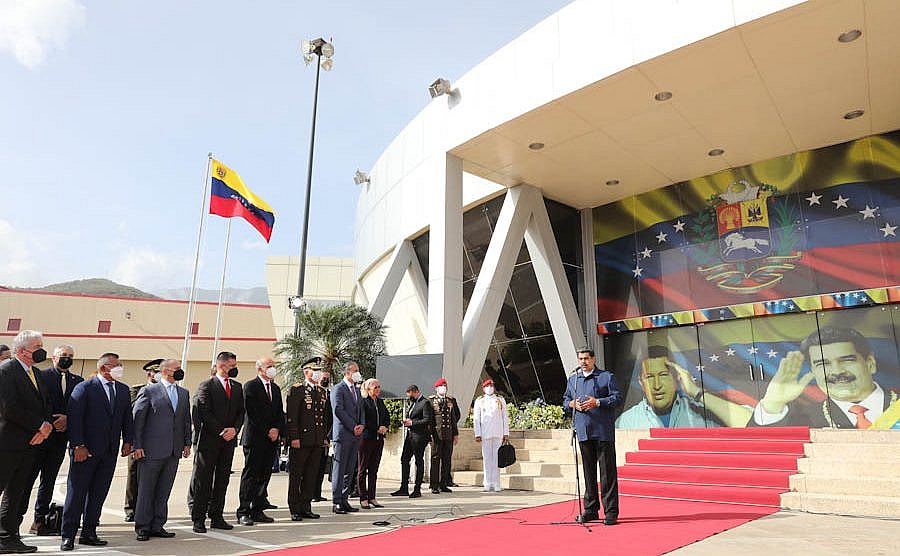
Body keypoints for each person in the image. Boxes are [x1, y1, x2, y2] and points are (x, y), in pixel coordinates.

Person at [752, 326, 900, 429]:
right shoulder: (805, 417)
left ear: (870, 363)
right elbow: (758, 453)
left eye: (847, 360)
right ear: (813, 372)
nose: (836, 371)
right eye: (823, 364)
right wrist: (772, 404)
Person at [61, 352, 134, 551]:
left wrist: (128, 440)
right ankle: (68, 535)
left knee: (98, 494)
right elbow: (74, 419)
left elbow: (127, 418)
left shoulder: (122, 390)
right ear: (104, 368)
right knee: (76, 494)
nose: (120, 368)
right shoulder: (85, 388)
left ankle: (89, 532)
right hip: (85, 451)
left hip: (108, 452)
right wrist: (78, 445)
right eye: (116, 365)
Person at [0, 330, 52, 554]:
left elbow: (45, 404)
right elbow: (9, 407)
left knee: (16, 492)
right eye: (37, 346)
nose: (42, 350)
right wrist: (39, 425)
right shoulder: (6, 372)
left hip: (29, 444)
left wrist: (45, 427)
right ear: (21, 351)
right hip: (7, 443)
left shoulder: (36, 373)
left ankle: (7, 538)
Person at [22, 345, 82, 536]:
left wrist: (67, 419)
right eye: (64, 355)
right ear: (54, 358)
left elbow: (79, 408)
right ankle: (15, 518)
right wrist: (50, 420)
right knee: (27, 480)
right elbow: (34, 404)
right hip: (40, 436)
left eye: (70, 356)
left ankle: (39, 520)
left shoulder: (77, 381)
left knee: (48, 481)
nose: (67, 359)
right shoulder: (41, 376)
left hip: (60, 440)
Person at [616, 346, 752, 428]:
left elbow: (751, 423)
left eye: (663, 375)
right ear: (641, 382)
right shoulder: (627, 421)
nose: (657, 385)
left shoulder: (702, 413)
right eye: (650, 377)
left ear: (677, 377)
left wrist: (696, 392)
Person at [131, 359, 191, 542]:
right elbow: (138, 420)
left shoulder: (183, 393)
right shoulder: (149, 391)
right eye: (176, 369)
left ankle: (158, 525)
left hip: (173, 450)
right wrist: (137, 445)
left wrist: (187, 443)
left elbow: (185, 420)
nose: (180, 372)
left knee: (164, 490)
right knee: (146, 490)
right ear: (165, 371)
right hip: (151, 450)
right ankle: (142, 526)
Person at [563, 348, 623, 526]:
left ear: (593, 359)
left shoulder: (606, 377)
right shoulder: (573, 380)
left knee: (607, 474)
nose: (583, 361)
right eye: (580, 358)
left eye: (586, 358)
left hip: (603, 431)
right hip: (584, 431)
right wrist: (572, 403)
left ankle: (611, 511)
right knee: (588, 474)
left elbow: (617, 398)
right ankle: (590, 510)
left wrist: (597, 402)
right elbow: (565, 400)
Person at [189, 351, 245, 533]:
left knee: (222, 479)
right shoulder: (207, 385)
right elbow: (204, 412)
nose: (235, 369)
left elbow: (241, 412)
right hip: (209, 441)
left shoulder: (237, 387)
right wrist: (221, 430)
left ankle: (217, 516)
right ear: (221, 366)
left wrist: (235, 429)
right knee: (203, 480)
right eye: (232, 366)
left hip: (228, 442)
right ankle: (198, 518)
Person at [236, 357, 284, 526]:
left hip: (271, 439)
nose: (272, 369)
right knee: (251, 475)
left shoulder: (276, 389)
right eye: (269, 366)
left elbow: (279, 412)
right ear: (260, 369)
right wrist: (268, 430)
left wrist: (277, 429)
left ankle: (257, 509)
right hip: (255, 438)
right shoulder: (251, 386)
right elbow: (253, 413)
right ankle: (243, 510)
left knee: (264, 474)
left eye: (273, 366)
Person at [285, 357, 331, 521]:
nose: (319, 374)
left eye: (319, 371)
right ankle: (294, 508)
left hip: (317, 440)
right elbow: (292, 416)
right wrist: (294, 437)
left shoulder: (321, 392)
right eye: (315, 371)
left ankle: (306, 506)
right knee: (297, 475)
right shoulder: (297, 390)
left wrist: (324, 436)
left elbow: (324, 417)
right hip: (301, 441)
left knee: (311, 475)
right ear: (306, 372)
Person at [124, 359, 161, 523]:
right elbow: (134, 414)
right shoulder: (137, 390)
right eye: (156, 372)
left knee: (153, 477)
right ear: (149, 374)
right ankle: (131, 508)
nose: (159, 375)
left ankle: (147, 508)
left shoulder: (166, 391)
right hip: (138, 439)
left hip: (157, 441)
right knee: (134, 474)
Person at [330, 361, 365, 514]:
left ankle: (345, 499)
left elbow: (361, 410)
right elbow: (338, 410)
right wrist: (353, 426)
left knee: (350, 469)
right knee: (339, 469)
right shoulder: (338, 389)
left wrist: (361, 425)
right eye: (355, 370)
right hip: (343, 434)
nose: (358, 373)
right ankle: (337, 501)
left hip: (355, 435)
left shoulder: (357, 390)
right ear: (347, 373)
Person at [391, 384, 433, 498]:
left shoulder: (425, 403)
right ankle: (403, 487)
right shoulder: (413, 403)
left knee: (418, 460)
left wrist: (412, 423)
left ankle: (417, 489)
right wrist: (406, 421)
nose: (409, 397)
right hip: (410, 436)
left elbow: (427, 419)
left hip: (420, 436)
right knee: (404, 459)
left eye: (410, 395)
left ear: (416, 392)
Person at [472, 378, 509, 493]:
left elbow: (505, 417)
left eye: (491, 386)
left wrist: (506, 433)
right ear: (483, 388)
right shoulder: (480, 401)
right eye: (487, 386)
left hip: (498, 433)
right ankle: (487, 483)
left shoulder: (500, 400)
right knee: (487, 459)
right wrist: (477, 433)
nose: (490, 388)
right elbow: (476, 419)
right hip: (485, 433)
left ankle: (497, 483)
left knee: (497, 459)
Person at [358, 378, 389, 509]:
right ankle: (363, 497)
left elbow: (386, 416)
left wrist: (385, 426)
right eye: (375, 387)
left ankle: (372, 497)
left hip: (378, 439)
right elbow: (364, 420)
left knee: (373, 470)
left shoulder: (380, 402)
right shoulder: (364, 402)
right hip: (366, 439)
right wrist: (376, 428)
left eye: (379, 387)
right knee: (362, 469)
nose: (378, 389)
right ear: (368, 388)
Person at [428, 377, 460, 494]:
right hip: (436, 434)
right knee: (435, 459)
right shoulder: (431, 401)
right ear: (436, 388)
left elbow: (453, 419)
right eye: (441, 386)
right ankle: (434, 484)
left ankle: (444, 483)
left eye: (445, 386)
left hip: (448, 434)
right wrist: (430, 434)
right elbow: (429, 420)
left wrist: (455, 434)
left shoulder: (450, 400)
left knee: (447, 460)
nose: (444, 388)